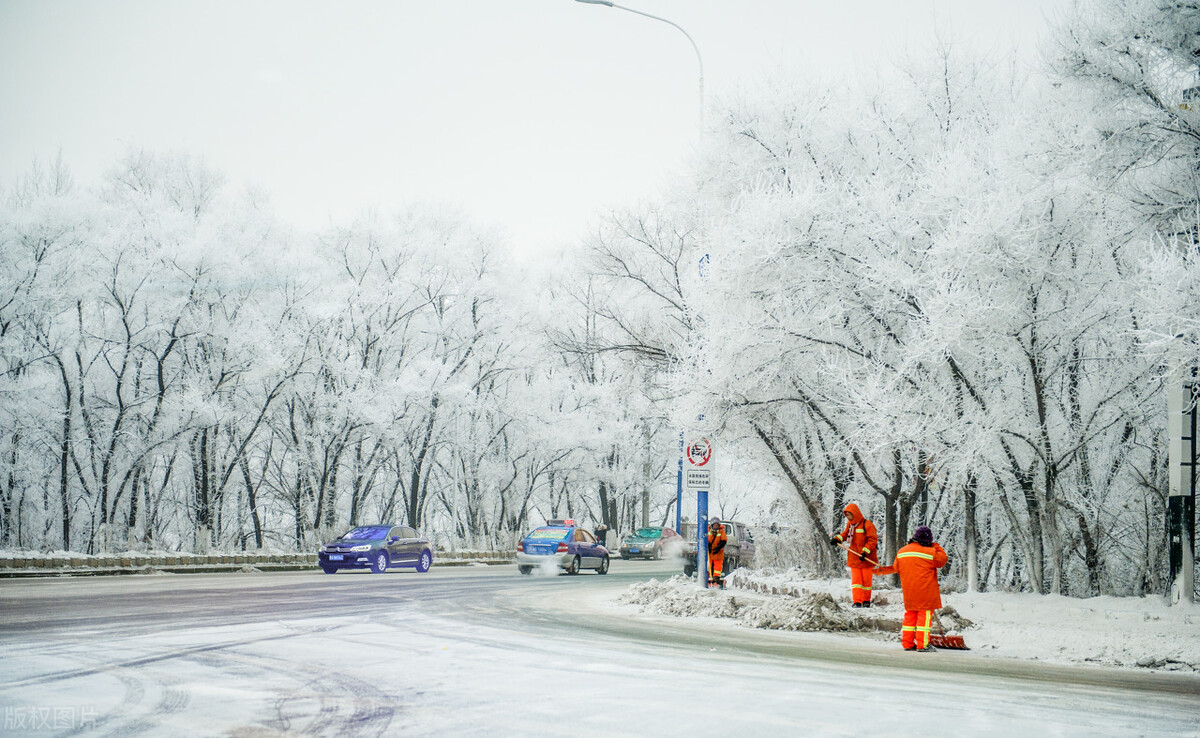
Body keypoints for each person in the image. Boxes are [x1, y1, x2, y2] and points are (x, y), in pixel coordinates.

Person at [873, 525, 949, 652]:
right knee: (923, 617)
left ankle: (907, 643)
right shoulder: (930, 552)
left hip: (909, 590)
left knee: (910, 616)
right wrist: (935, 546)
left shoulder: (902, 551)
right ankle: (922, 645)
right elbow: (943, 560)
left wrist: (881, 571)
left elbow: (896, 568)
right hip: (925, 590)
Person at [829, 502, 878, 607]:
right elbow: (846, 534)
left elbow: (872, 540)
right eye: (846, 515)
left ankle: (866, 601)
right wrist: (837, 539)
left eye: (849, 515)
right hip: (854, 557)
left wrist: (865, 552)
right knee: (856, 582)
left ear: (855, 513)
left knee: (866, 582)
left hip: (866, 558)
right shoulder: (850, 525)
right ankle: (857, 601)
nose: (848, 517)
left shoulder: (867, 524)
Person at [707, 518, 727, 588]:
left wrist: (718, 548)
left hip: (718, 553)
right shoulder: (708, 531)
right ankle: (709, 580)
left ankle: (716, 580)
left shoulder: (721, 532)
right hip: (710, 553)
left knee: (717, 568)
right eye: (714, 525)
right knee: (710, 567)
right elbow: (706, 539)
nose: (716, 526)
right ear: (712, 525)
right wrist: (708, 545)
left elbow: (723, 541)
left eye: (717, 525)